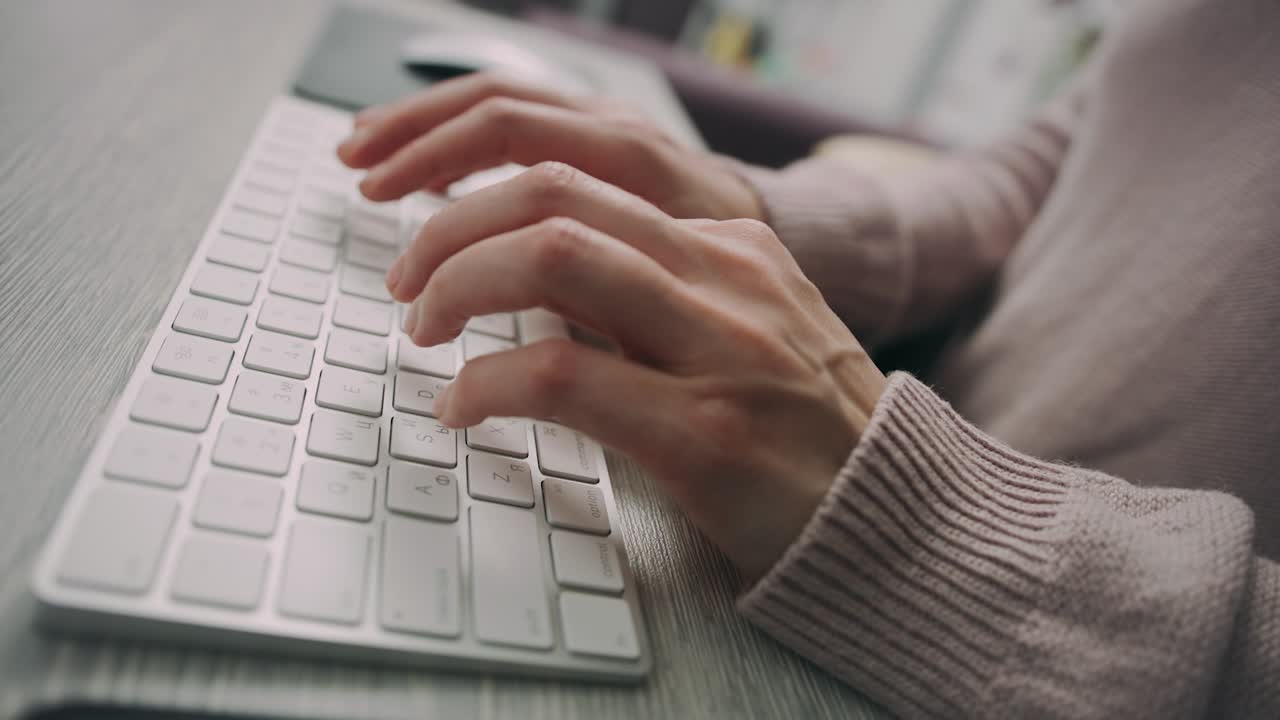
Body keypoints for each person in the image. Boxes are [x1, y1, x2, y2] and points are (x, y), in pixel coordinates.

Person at [336, 0, 1279, 716]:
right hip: (855, 486)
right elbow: (1028, 175)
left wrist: (934, 522)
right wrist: (755, 218)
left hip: (1005, 629)